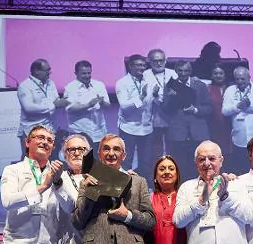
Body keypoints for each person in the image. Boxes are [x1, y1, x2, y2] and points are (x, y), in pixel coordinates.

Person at [162, 60, 213, 180]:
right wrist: (171, 98)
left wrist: (195, 110)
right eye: (180, 70)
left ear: (190, 71)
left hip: (198, 132)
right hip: (178, 133)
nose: (183, 73)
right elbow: (165, 109)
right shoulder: (170, 86)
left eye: (186, 70)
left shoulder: (200, 86)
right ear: (176, 71)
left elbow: (209, 108)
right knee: (180, 165)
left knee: (200, 164)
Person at [17, 58, 69, 158]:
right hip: (30, 131)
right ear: (37, 71)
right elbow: (29, 108)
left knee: (50, 160)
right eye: (47, 70)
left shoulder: (51, 83)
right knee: (31, 162)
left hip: (49, 130)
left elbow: (56, 99)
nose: (50, 72)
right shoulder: (25, 86)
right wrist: (53, 105)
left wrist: (60, 102)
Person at [222, 67, 253, 173]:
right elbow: (225, 111)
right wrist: (238, 106)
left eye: (242, 79)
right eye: (237, 79)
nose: (240, 82)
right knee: (242, 169)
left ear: (249, 78)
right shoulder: (230, 90)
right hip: (239, 139)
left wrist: (249, 105)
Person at [116, 54, 155, 182]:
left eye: (144, 65)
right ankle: (123, 186)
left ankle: (143, 187)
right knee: (126, 160)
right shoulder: (122, 83)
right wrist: (141, 97)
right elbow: (124, 106)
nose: (142, 67)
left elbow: (153, 102)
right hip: (129, 127)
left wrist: (156, 95)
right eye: (139, 65)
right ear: (130, 66)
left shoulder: (149, 80)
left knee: (146, 161)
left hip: (147, 128)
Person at [63, 61, 110, 154]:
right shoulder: (70, 88)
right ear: (76, 73)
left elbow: (108, 105)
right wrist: (88, 105)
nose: (87, 76)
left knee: (98, 163)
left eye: (89, 73)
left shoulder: (99, 85)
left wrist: (103, 103)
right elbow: (69, 108)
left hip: (99, 133)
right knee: (82, 164)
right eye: (84, 73)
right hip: (79, 133)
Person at [143, 49, 178, 159]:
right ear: (149, 62)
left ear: (165, 60)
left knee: (172, 147)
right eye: (155, 61)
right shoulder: (145, 74)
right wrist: (155, 95)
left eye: (161, 60)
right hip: (154, 116)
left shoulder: (173, 73)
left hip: (170, 116)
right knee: (155, 148)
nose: (158, 63)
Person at [207, 64, 232, 154]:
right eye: (215, 73)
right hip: (214, 126)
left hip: (230, 125)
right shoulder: (207, 89)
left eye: (221, 73)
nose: (218, 76)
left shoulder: (232, 88)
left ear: (225, 75)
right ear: (211, 75)